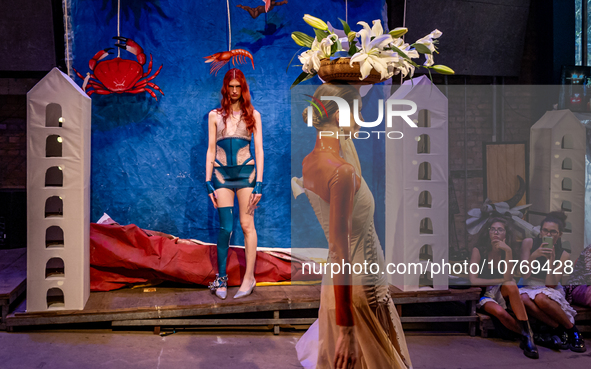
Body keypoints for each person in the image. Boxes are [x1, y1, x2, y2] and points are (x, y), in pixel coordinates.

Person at [292, 83, 412, 369]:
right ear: (338, 116)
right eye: (357, 113)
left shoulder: (311, 161)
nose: (361, 121)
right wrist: (346, 327)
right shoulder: (342, 172)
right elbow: (338, 249)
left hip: (337, 288)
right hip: (360, 290)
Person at [205, 68, 264, 300]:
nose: (234, 90)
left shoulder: (253, 115)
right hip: (221, 176)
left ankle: (249, 277)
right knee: (226, 228)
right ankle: (221, 278)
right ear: (225, 87)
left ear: (244, 88)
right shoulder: (214, 115)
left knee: (247, 225)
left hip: (246, 175)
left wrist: (259, 182)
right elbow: (210, 149)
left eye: (238, 86)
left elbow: (259, 150)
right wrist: (207, 181)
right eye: (231, 86)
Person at [469, 217, 538, 359]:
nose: (496, 232)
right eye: (492, 229)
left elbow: (509, 277)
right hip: (484, 294)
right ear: (488, 232)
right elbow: (473, 280)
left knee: (511, 285)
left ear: (506, 234)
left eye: (500, 230)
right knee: (499, 312)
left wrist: (507, 251)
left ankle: (528, 338)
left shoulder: (508, 250)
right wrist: (501, 280)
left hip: (502, 291)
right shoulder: (479, 250)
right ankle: (532, 335)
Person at [519, 211, 586, 352]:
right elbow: (524, 275)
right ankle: (559, 327)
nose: (548, 235)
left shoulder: (563, 255)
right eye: (545, 230)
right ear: (541, 230)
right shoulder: (529, 243)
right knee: (523, 299)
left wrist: (550, 260)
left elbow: (551, 284)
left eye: (552, 232)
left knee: (541, 298)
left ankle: (573, 331)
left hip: (550, 289)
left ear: (559, 234)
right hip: (529, 284)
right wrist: (534, 256)